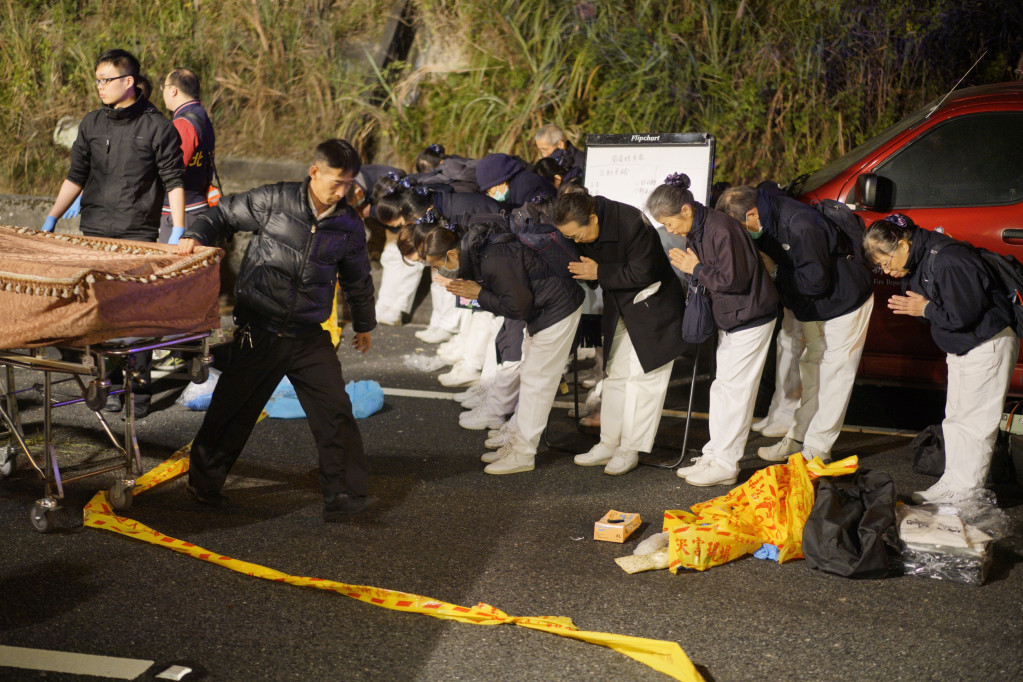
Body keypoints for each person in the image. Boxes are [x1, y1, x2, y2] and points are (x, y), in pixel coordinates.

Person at [175, 139, 377, 519]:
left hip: (308, 333)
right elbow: (221, 215)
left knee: (335, 411)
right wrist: (195, 234)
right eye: (336, 182)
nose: (343, 191)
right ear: (314, 172)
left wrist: (364, 323)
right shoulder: (274, 200)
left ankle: (344, 495)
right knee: (233, 410)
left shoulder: (348, 223)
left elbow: (357, 277)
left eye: (349, 184)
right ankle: (204, 483)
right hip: (260, 327)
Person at [42, 48, 187, 419]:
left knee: (134, 318)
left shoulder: (158, 127)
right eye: (97, 80)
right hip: (94, 231)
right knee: (101, 315)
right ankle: (108, 387)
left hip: (135, 234)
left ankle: (138, 394)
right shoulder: (92, 124)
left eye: (107, 80)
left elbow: (173, 181)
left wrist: (179, 229)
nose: (100, 87)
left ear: (129, 82)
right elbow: (76, 175)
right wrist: (53, 216)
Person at [412, 215, 584, 474]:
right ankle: (516, 445)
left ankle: (523, 454)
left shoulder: (493, 258)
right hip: (546, 309)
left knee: (537, 385)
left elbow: (517, 306)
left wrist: (479, 294)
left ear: (451, 253)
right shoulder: (480, 249)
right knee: (531, 380)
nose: (440, 272)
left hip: (556, 309)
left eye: (439, 265)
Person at [863, 214, 1017, 504]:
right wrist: (921, 308)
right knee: (956, 418)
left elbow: (964, 314)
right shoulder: (918, 262)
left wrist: (925, 310)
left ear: (903, 245)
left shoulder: (949, 259)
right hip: (962, 345)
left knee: (975, 424)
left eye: (885, 262)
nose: (885, 270)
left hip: (986, 343)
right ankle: (952, 482)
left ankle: (967, 493)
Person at [717, 184, 874, 462]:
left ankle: (817, 448)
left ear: (752, 213)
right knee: (812, 370)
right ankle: (799, 437)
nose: (741, 235)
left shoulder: (800, 223)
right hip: (813, 305)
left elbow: (814, 281)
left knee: (835, 375)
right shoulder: (766, 220)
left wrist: (775, 270)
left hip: (844, 301)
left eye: (741, 227)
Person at [647, 173, 779, 486]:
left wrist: (695, 269)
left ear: (686, 211)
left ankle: (725, 463)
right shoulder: (700, 227)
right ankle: (715, 455)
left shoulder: (721, 229)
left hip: (750, 315)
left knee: (735, 392)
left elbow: (735, 280)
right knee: (723, 388)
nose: (670, 230)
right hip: (735, 315)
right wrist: (696, 269)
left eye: (669, 223)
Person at [553, 188, 686, 475]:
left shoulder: (632, 223)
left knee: (644, 380)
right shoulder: (586, 225)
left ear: (593, 218)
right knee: (614, 375)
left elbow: (642, 273)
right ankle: (608, 443)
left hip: (654, 306)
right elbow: (586, 264)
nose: (576, 242)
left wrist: (598, 272)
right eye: (570, 238)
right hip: (620, 305)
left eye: (577, 236)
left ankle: (631, 448)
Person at [159, 68, 215, 244]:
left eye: (164, 87)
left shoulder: (182, 124)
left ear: (173, 90)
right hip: (198, 205)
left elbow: (173, 171)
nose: (163, 92)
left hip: (182, 214)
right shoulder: (202, 115)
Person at [475, 153, 555, 209]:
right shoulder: (516, 187)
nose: (490, 195)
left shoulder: (528, 186)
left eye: (489, 190)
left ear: (502, 182)